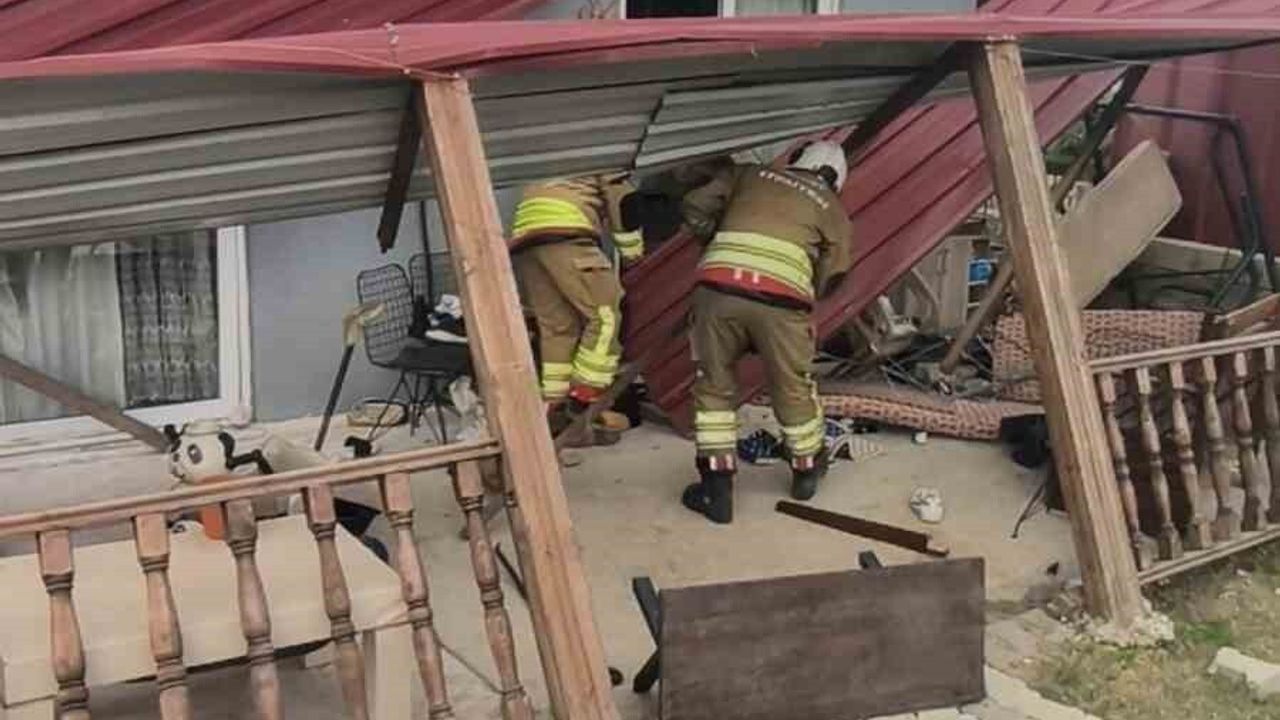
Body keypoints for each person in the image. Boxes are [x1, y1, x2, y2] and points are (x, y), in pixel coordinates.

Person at [679, 141, 855, 524]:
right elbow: (836, 271)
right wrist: (804, 290)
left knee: (713, 385)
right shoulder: (832, 207)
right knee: (793, 385)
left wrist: (714, 243)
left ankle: (717, 492)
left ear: (796, 160)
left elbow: (695, 204)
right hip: (782, 304)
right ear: (836, 179)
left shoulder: (751, 175)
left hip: (718, 290)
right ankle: (806, 471)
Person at [509, 174, 644, 432]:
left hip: (525, 238)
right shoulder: (614, 147)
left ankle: (553, 409)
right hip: (566, 229)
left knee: (558, 329)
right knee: (606, 315)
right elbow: (622, 200)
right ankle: (583, 396)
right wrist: (632, 252)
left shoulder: (561, 147)